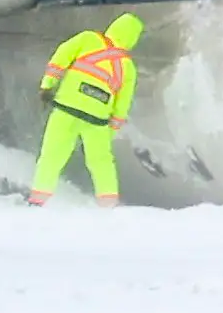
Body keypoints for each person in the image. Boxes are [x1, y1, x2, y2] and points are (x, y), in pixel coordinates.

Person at [30, 13, 144, 208]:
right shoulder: (128, 68)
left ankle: (38, 200)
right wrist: (109, 132)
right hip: (97, 120)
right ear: (133, 38)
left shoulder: (88, 38)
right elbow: (122, 105)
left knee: (52, 155)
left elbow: (62, 56)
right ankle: (108, 204)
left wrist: (47, 85)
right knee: (101, 162)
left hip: (67, 108)